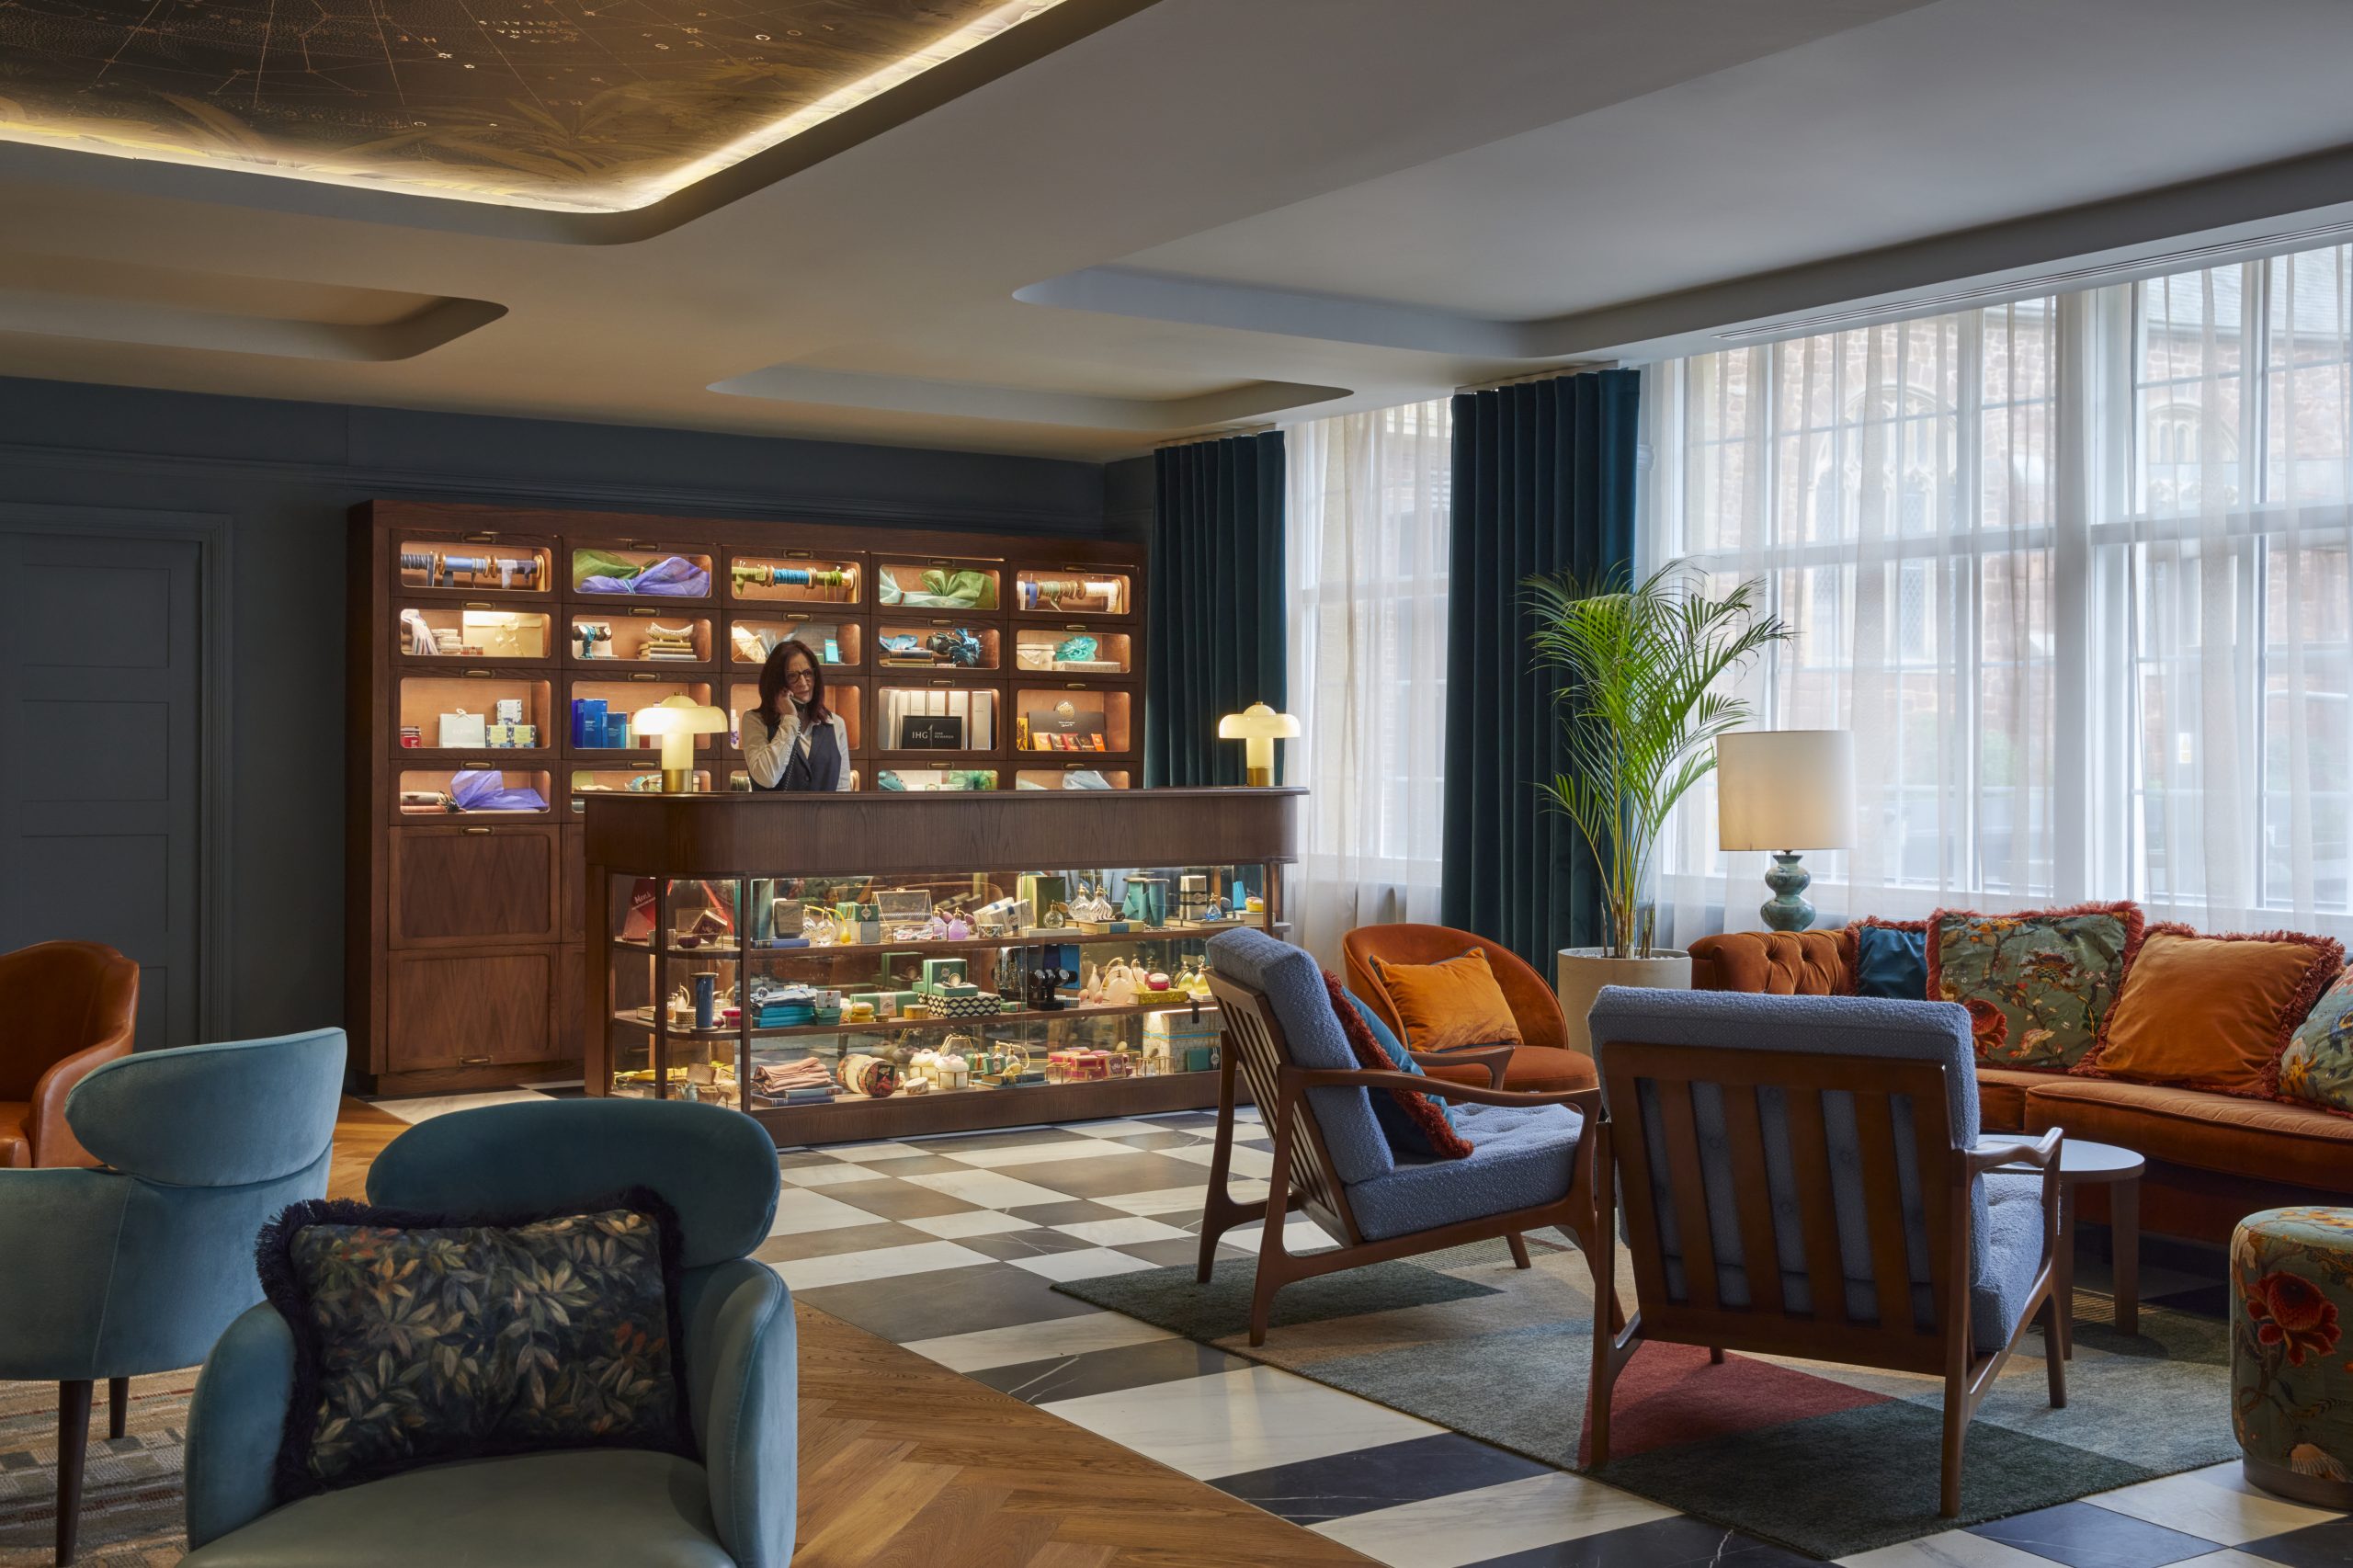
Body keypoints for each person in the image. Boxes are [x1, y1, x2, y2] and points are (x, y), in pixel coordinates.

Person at [742, 640, 852, 791]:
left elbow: (843, 790)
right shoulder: (755, 721)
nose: (803, 682)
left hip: (826, 809)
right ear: (777, 683)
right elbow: (767, 778)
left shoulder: (835, 723)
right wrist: (790, 719)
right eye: (792, 676)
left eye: (807, 673)